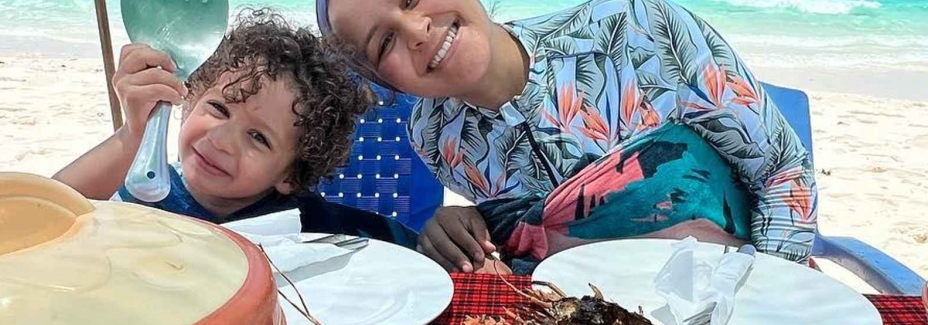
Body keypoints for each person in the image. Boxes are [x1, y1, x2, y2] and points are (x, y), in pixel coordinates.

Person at [317, 0, 816, 271]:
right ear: (386, 80)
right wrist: (470, 223)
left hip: (744, 306)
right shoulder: (433, 135)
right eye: (384, 42)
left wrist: (765, 293)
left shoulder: (642, 28)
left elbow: (782, 172)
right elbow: (537, 228)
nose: (417, 28)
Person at [57, 12, 416, 245]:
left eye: (258, 137)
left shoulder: (303, 225)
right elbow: (45, 207)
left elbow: (396, 247)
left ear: (290, 175)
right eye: (218, 108)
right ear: (190, 99)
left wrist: (434, 238)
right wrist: (132, 134)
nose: (221, 140)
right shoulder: (146, 191)